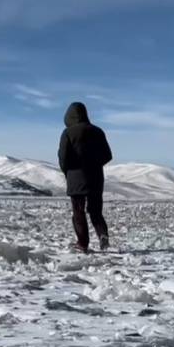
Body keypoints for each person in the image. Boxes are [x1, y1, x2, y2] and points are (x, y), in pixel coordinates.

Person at [58, 101, 112, 253]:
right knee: (96, 211)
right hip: (96, 178)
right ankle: (102, 234)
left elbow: (63, 157)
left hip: (75, 178)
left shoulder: (68, 133)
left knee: (78, 211)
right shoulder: (98, 131)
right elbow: (107, 155)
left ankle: (82, 244)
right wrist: (94, 164)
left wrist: (68, 171)